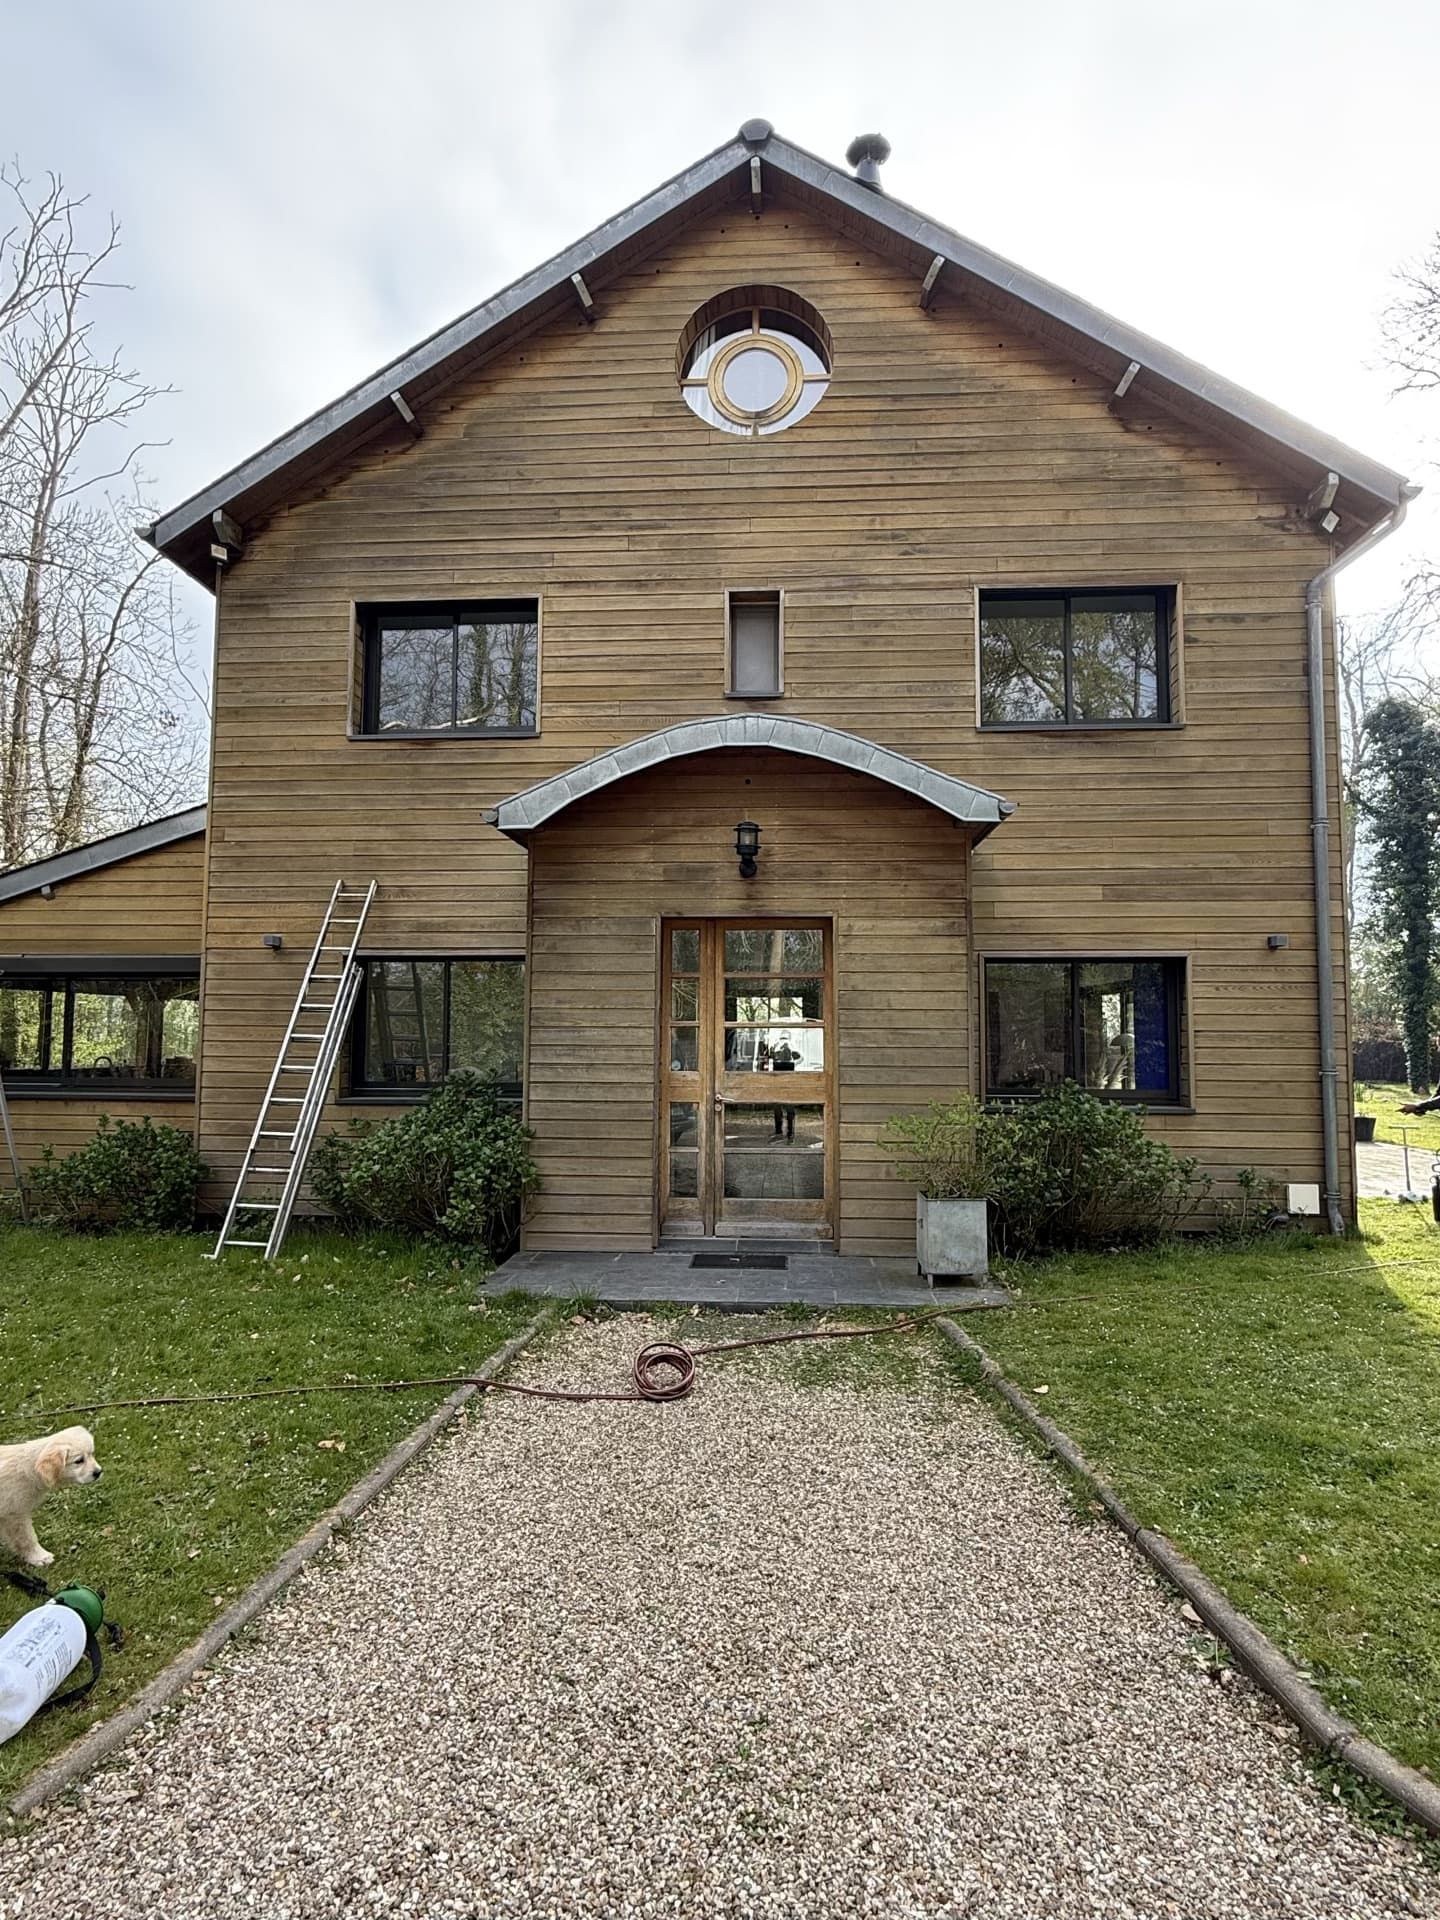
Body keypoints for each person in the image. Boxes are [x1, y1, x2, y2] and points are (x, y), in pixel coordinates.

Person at [770, 1033, 799, 1140]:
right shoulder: (787, 1052)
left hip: (782, 1084)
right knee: (783, 1109)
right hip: (786, 1084)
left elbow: (771, 1056)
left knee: (782, 1109)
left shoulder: (782, 1051)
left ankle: (785, 1132)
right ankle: (787, 1132)